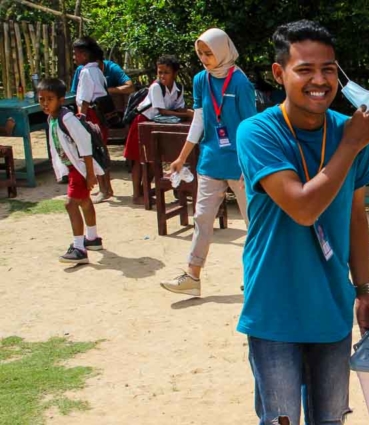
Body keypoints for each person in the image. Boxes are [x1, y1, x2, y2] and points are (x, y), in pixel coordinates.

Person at [236, 20, 369, 425]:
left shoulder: (350, 132)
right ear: (279, 72)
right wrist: (349, 145)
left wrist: (363, 290)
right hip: (274, 311)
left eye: (329, 69)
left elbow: (356, 216)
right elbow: (303, 207)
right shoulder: (258, 132)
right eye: (305, 69)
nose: (320, 80)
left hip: (330, 307)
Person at [159, 28, 256, 297]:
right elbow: (199, 119)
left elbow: (251, 126)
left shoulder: (240, 83)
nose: (204, 58)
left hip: (240, 165)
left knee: (253, 222)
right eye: (200, 53)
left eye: (209, 53)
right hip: (211, 160)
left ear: (223, 50)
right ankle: (192, 276)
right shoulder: (201, 80)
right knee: (202, 218)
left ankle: (255, 277)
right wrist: (181, 157)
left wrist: (250, 164)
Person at [38, 78, 104, 264]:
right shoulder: (52, 118)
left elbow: (84, 144)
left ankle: (79, 249)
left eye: (49, 99)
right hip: (72, 167)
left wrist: (90, 173)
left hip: (80, 168)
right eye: (41, 99)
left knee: (70, 204)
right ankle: (92, 239)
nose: (44, 103)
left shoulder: (66, 118)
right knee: (83, 200)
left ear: (61, 99)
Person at [123, 55, 193, 204]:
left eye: (166, 72)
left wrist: (186, 112)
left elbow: (178, 107)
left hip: (158, 125)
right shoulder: (156, 87)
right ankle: (137, 194)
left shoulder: (178, 89)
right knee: (139, 159)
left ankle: (146, 192)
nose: (162, 76)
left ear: (175, 74)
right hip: (143, 122)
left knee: (153, 159)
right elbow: (162, 111)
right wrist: (186, 113)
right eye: (159, 72)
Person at [72, 37, 114, 203]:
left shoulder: (86, 72)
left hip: (92, 115)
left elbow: (85, 99)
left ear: (83, 55)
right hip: (101, 115)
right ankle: (106, 188)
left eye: (76, 54)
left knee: (96, 151)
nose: (75, 58)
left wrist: (81, 119)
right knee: (100, 149)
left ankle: (105, 189)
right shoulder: (98, 70)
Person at [70, 38, 134, 98]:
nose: (74, 57)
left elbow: (130, 87)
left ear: (85, 55)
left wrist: (105, 91)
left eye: (75, 54)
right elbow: (75, 94)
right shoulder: (80, 70)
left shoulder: (112, 68)